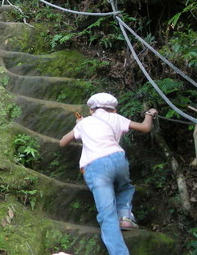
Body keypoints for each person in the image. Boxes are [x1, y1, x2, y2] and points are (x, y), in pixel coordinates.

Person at [59, 92, 158, 255]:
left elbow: (63, 142)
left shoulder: (85, 122)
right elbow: (145, 128)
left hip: (95, 166)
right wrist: (149, 114)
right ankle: (125, 216)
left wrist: (79, 125)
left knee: (107, 215)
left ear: (91, 110)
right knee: (125, 187)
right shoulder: (117, 118)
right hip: (118, 159)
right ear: (113, 109)